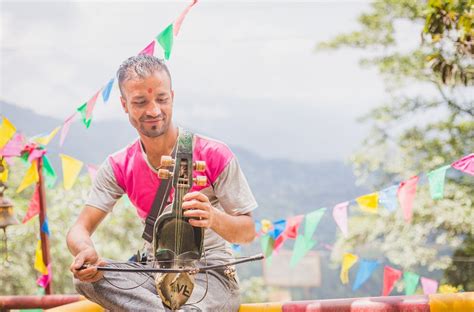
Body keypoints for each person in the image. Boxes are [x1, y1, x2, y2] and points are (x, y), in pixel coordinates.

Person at [66, 55, 258, 311]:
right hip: (153, 274)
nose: (154, 110)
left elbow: (247, 231)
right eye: (140, 102)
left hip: (212, 276)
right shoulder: (119, 165)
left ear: (173, 96)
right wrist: (85, 251)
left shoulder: (214, 154)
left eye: (162, 99)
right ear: (124, 104)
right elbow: (79, 229)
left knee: (189, 309)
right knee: (87, 281)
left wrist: (213, 217)